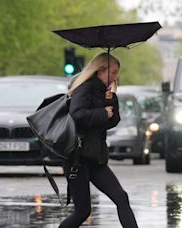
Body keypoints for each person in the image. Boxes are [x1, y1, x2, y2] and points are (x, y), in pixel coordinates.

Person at [60, 52, 138, 228]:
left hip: (95, 158)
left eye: (117, 73)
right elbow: (77, 114)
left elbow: (111, 121)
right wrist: (102, 112)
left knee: (121, 198)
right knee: (82, 211)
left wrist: (111, 101)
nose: (115, 77)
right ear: (101, 70)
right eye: (113, 72)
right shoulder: (84, 88)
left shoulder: (106, 93)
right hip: (77, 159)